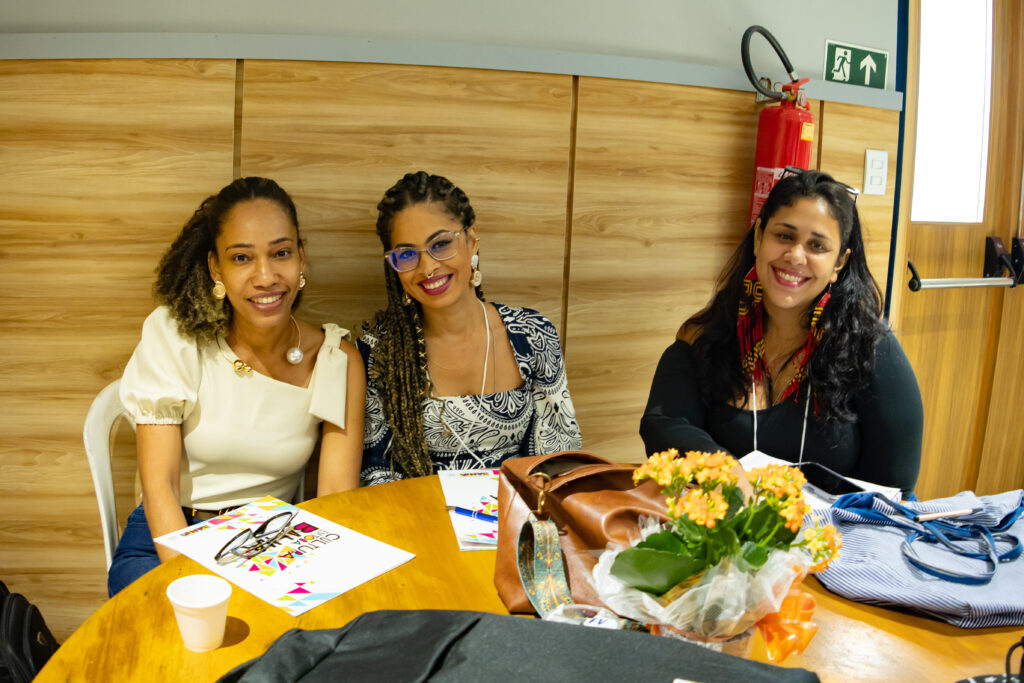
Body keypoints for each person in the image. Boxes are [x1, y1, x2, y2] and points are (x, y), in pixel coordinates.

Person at [108, 177, 365, 596]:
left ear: (301, 258)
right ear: (216, 268)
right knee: (185, 628)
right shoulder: (176, 338)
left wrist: (316, 581)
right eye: (242, 258)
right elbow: (159, 489)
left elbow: (336, 498)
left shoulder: (336, 359)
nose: (265, 276)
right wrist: (197, 589)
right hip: (171, 536)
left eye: (281, 253)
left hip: (272, 542)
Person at [640, 169, 922, 496]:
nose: (795, 256)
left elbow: (897, 488)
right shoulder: (706, 336)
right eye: (785, 236)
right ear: (759, 237)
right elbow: (665, 424)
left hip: (839, 527)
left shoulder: (872, 349)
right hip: (728, 524)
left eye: (817, 245)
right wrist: (723, 471)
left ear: (839, 264)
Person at [360, 171, 581, 485]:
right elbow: (376, 474)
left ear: (472, 240)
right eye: (407, 254)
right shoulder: (379, 352)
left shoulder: (533, 334)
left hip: (520, 512)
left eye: (441, 244)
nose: (428, 268)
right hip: (415, 514)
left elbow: (559, 458)